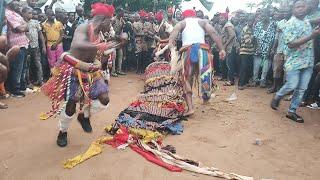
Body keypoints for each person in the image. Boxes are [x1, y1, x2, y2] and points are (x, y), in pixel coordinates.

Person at [41, 2, 117, 147]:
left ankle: (84, 115)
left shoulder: (100, 33)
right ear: (103, 19)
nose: (111, 25)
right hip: (74, 69)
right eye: (110, 21)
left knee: (104, 99)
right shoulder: (83, 27)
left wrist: (117, 44)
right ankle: (62, 132)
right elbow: (78, 44)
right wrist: (100, 46)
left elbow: (102, 51)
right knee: (71, 105)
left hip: (92, 72)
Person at [168, 9, 226, 116]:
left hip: (188, 51)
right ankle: (205, 97)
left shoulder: (182, 23)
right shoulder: (202, 22)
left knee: (186, 79)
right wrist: (221, 49)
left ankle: (190, 108)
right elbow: (213, 32)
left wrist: (172, 48)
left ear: (184, 17)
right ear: (194, 16)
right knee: (205, 75)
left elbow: (172, 37)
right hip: (203, 51)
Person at [271, 0, 320, 123]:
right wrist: (311, 36)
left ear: (306, 8)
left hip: (308, 62)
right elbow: (291, 44)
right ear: (293, 10)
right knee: (292, 84)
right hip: (294, 62)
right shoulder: (290, 24)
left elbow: (316, 20)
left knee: (301, 88)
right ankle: (278, 96)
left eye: (303, 6)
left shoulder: (307, 20)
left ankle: (291, 112)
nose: (301, 9)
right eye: (298, 7)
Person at [5, 0, 29, 97]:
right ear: (10, 2)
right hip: (16, 45)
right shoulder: (8, 13)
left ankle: (20, 87)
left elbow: (26, 27)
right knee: (17, 68)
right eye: (16, 1)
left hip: (24, 43)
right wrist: (23, 26)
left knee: (22, 68)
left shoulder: (16, 13)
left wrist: (23, 26)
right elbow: (20, 28)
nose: (18, 3)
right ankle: (15, 90)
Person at [268, 8, 291, 94]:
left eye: (286, 11)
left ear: (291, 12)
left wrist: (283, 30)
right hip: (279, 49)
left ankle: (286, 89)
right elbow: (276, 37)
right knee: (276, 69)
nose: (285, 13)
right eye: (283, 11)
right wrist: (273, 48)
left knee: (287, 71)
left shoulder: (294, 22)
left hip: (290, 50)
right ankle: (275, 87)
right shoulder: (280, 23)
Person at [252, 9, 276, 88]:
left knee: (266, 68)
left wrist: (269, 51)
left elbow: (272, 38)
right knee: (256, 66)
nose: (262, 17)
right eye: (261, 16)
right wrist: (258, 48)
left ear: (268, 16)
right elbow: (256, 37)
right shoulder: (258, 24)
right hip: (259, 48)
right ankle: (255, 80)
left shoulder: (272, 25)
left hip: (268, 48)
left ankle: (263, 81)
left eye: (264, 16)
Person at [23, 7, 46, 86]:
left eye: (31, 13)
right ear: (24, 13)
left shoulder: (35, 22)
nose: (31, 15)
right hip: (26, 47)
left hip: (36, 47)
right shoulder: (21, 22)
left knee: (38, 64)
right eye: (29, 13)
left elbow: (40, 35)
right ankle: (28, 82)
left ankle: (40, 80)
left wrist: (43, 46)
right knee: (27, 65)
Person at [220, 13, 239, 86]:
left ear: (225, 18)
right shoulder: (226, 25)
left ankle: (231, 80)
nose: (220, 20)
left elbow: (232, 35)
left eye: (221, 18)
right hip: (229, 48)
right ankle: (230, 79)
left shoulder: (228, 25)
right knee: (229, 63)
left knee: (230, 64)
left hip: (230, 48)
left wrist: (225, 45)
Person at [238, 15, 255, 90]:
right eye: (249, 21)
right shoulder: (246, 28)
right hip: (244, 51)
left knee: (248, 68)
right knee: (243, 68)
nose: (250, 22)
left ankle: (245, 82)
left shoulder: (251, 28)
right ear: (247, 21)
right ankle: (240, 84)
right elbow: (247, 41)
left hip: (250, 51)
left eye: (252, 20)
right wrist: (254, 37)